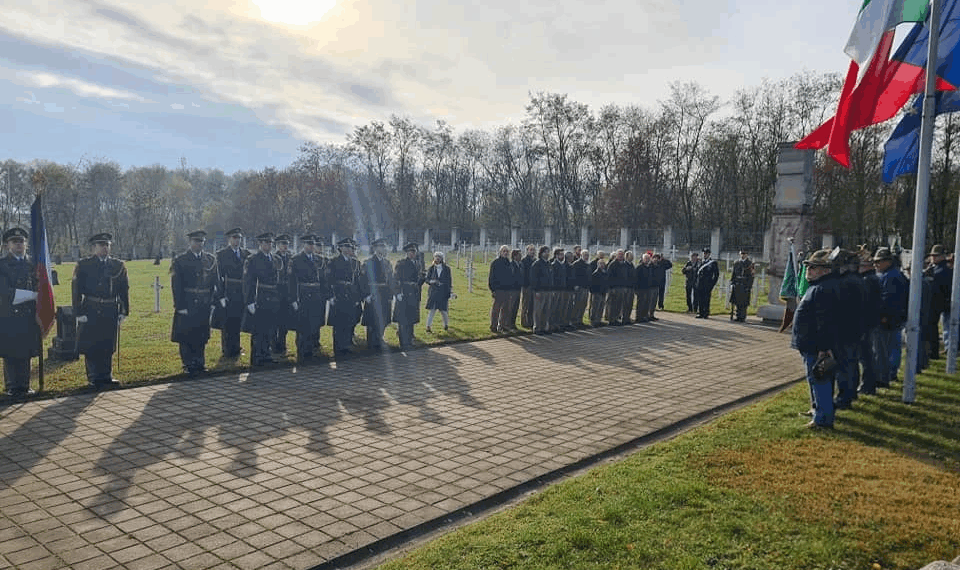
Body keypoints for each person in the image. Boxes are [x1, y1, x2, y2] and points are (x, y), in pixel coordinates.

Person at [791, 249, 842, 429]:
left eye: (814, 267)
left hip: (816, 346)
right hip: (811, 345)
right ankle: (818, 411)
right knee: (817, 381)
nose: (809, 270)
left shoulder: (823, 289)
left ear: (826, 270)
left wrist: (823, 348)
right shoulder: (819, 287)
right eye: (808, 267)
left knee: (820, 381)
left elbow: (825, 322)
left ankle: (822, 420)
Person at [73, 232, 129, 390]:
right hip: (91, 308)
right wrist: (79, 312)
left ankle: (106, 375)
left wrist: (124, 310)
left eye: (107, 245)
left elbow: (124, 289)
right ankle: (93, 377)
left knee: (107, 343)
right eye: (101, 245)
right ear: (94, 248)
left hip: (110, 308)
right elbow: (76, 290)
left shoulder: (117, 265)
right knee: (92, 344)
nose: (105, 248)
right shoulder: (84, 265)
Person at [170, 230, 219, 377]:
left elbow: (215, 283)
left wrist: (213, 301)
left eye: (201, 241)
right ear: (190, 242)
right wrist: (180, 306)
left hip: (204, 303)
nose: (199, 244)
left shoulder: (210, 259)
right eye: (196, 241)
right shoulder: (181, 260)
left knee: (201, 334)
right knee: (186, 335)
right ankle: (188, 363)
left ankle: (199, 362)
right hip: (188, 302)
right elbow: (176, 285)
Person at [0, 228, 41, 398]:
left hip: (29, 315)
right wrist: (30, 295)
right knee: (10, 351)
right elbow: (4, 291)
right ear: (7, 245)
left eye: (21, 241)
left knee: (26, 350)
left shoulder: (33, 264)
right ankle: (12, 386)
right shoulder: (2, 265)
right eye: (14, 241)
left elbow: (42, 286)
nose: (19, 244)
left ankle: (24, 385)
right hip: (9, 314)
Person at [242, 232, 283, 366]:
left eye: (270, 242)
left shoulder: (275, 259)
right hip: (260, 297)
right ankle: (257, 357)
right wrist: (250, 301)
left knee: (270, 329)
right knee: (259, 330)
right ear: (260, 244)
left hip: (273, 298)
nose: (269, 245)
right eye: (266, 242)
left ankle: (266, 354)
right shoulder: (253, 259)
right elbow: (248, 281)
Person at [288, 235, 328, 362]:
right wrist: (293, 299)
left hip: (316, 296)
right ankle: (302, 352)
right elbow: (291, 281)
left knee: (314, 325)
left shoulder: (319, 259)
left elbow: (323, 280)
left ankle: (310, 351)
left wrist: (324, 296)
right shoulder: (296, 259)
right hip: (303, 296)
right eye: (308, 244)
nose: (311, 246)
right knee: (302, 326)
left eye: (313, 244)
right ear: (303, 245)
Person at [873, 247, 908, 387]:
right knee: (893, 347)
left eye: (878, 262)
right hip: (895, 318)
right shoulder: (896, 275)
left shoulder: (890, 277)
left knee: (883, 351)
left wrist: (883, 316)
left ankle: (883, 377)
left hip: (887, 319)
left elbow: (888, 300)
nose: (876, 265)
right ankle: (890, 373)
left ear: (887, 261)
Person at [213, 228, 250, 358]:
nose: (237, 240)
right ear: (229, 239)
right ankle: (227, 349)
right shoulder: (222, 254)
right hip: (229, 291)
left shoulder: (246, 253)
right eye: (234, 238)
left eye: (239, 238)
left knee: (238, 320)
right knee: (228, 322)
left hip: (242, 291)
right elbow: (218, 277)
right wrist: (221, 295)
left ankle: (236, 347)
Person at [327, 238, 364, 356]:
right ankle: (338, 348)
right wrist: (331, 296)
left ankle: (347, 345)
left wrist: (358, 297)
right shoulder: (333, 262)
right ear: (340, 248)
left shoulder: (355, 263)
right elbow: (329, 280)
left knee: (350, 320)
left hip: (351, 294)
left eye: (350, 247)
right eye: (346, 247)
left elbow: (359, 281)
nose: (349, 249)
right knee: (339, 322)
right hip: (339, 293)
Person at [856, 247, 883, 395]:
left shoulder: (868, 280)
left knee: (865, 356)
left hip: (866, 322)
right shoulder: (872, 279)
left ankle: (868, 385)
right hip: (870, 321)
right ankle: (868, 384)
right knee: (867, 355)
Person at [362, 238, 395, 350]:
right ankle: (371, 342)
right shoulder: (369, 262)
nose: (383, 248)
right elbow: (363, 280)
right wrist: (366, 295)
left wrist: (391, 295)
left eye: (384, 246)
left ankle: (380, 338)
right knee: (372, 319)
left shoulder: (387, 263)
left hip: (384, 294)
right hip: (373, 293)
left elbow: (390, 280)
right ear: (375, 248)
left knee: (384, 318)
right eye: (381, 246)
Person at [393, 242, 424, 350]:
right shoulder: (401, 263)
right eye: (410, 252)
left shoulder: (417, 263)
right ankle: (403, 342)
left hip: (414, 293)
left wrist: (422, 279)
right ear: (406, 253)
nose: (412, 254)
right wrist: (398, 293)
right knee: (403, 318)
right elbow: (396, 279)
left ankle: (409, 340)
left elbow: (419, 279)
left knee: (411, 318)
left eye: (414, 252)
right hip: (404, 292)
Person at [926, 244, 951, 359]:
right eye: (932, 256)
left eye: (935, 256)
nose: (933, 258)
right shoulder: (940, 268)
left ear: (942, 256)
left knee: (933, 327)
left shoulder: (940, 270)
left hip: (938, 301)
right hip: (941, 301)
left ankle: (934, 351)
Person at [271, 234, 294, 355]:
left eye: (286, 244)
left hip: (287, 291)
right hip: (277, 291)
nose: (285, 247)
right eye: (282, 244)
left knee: (284, 321)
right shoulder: (274, 257)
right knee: (275, 321)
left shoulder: (290, 257)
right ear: (278, 245)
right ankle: (274, 345)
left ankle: (282, 343)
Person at [488, 245, 514, 333]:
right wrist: (493, 289)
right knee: (496, 309)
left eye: (507, 251)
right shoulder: (495, 263)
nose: (505, 253)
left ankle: (503, 325)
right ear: (500, 252)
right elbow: (491, 277)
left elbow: (511, 276)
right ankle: (493, 326)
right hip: (498, 289)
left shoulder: (509, 263)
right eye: (504, 251)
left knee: (506, 309)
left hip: (507, 289)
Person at [425, 251, 452, 333]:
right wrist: (431, 281)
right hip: (433, 292)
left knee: (443, 311)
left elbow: (449, 281)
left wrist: (449, 291)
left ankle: (446, 325)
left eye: (439, 257)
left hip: (443, 292)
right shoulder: (431, 268)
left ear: (442, 258)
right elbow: (427, 279)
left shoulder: (446, 269)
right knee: (432, 310)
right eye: (436, 256)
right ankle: (428, 326)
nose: (437, 258)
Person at [530, 246, 553, 334]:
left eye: (548, 252)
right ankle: (537, 328)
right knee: (538, 310)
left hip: (548, 290)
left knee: (546, 310)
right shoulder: (537, 264)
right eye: (545, 252)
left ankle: (544, 327)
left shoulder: (549, 264)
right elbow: (533, 278)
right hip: (540, 291)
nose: (547, 254)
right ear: (541, 253)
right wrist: (536, 290)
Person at [730, 250, 755, 322]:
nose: (743, 255)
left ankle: (742, 316)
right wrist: (732, 283)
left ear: (747, 255)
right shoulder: (736, 263)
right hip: (737, 284)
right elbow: (734, 274)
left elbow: (752, 276)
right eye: (741, 254)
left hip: (745, 285)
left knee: (743, 302)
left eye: (744, 254)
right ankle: (737, 316)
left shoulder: (750, 264)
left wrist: (749, 286)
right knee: (737, 301)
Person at [695, 248, 719, 319]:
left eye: (706, 253)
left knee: (706, 299)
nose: (705, 255)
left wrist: (712, 284)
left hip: (707, 284)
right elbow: (697, 273)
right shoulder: (700, 262)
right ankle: (700, 312)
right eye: (704, 253)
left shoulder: (713, 263)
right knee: (700, 299)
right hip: (700, 283)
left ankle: (706, 313)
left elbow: (716, 275)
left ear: (709, 254)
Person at [549, 247, 567, 332]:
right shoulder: (554, 265)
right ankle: (552, 324)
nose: (562, 256)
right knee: (554, 307)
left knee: (561, 307)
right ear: (556, 255)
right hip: (555, 289)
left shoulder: (563, 264)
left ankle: (558, 324)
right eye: (560, 254)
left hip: (562, 289)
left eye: (563, 254)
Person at [520, 244, 537, 329]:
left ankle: (531, 321)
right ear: (527, 251)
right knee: (525, 305)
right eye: (531, 250)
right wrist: (525, 285)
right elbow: (523, 274)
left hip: (534, 286)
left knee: (532, 305)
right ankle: (524, 321)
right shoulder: (524, 261)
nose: (532, 252)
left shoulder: (535, 261)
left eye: (533, 250)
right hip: (527, 286)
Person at [588, 252, 609, 327]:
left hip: (603, 292)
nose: (602, 265)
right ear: (598, 265)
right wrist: (594, 292)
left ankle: (599, 320)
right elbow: (592, 284)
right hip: (597, 292)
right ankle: (593, 321)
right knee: (595, 307)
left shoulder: (605, 273)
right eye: (600, 264)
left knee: (601, 307)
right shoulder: (596, 273)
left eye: (603, 264)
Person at [572, 249, 591, 327]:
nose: (586, 256)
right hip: (579, 287)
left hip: (586, 287)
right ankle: (574, 321)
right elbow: (574, 275)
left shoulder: (588, 264)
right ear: (581, 255)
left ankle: (580, 320)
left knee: (583, 304)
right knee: (577, 304)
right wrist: (575, 285)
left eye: (587, 255)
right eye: (585, 255)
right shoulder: (577, 264)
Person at [506, 249, 524, 331]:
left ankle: (513, 324)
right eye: (519, 255)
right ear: (514, 256)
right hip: (512, 289)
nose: (521, 256)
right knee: (511, 307)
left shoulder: (520, 265)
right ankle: (508, 324)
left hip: (518, 288)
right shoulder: (511, 265)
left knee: (516, 307)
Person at [635, 253, 653, 323]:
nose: (647, 260)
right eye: (646, 258)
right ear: (643, 259)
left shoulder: (649, 267)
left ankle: (645, 316)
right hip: (641, 288)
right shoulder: (639, 267)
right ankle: (639, 317)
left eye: (648, 258)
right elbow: (636, 278)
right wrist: (636, 288)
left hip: (648, 288)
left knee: (647, 303)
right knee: (641, 303)